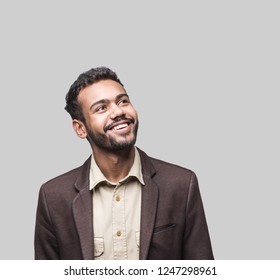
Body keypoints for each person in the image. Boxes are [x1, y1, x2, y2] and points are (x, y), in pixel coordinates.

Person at [34, 67, 214, 260]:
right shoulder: (53, 197)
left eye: (123, 101)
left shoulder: (182, 185)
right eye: (101, 108)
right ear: (80, 128)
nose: (118, 111)